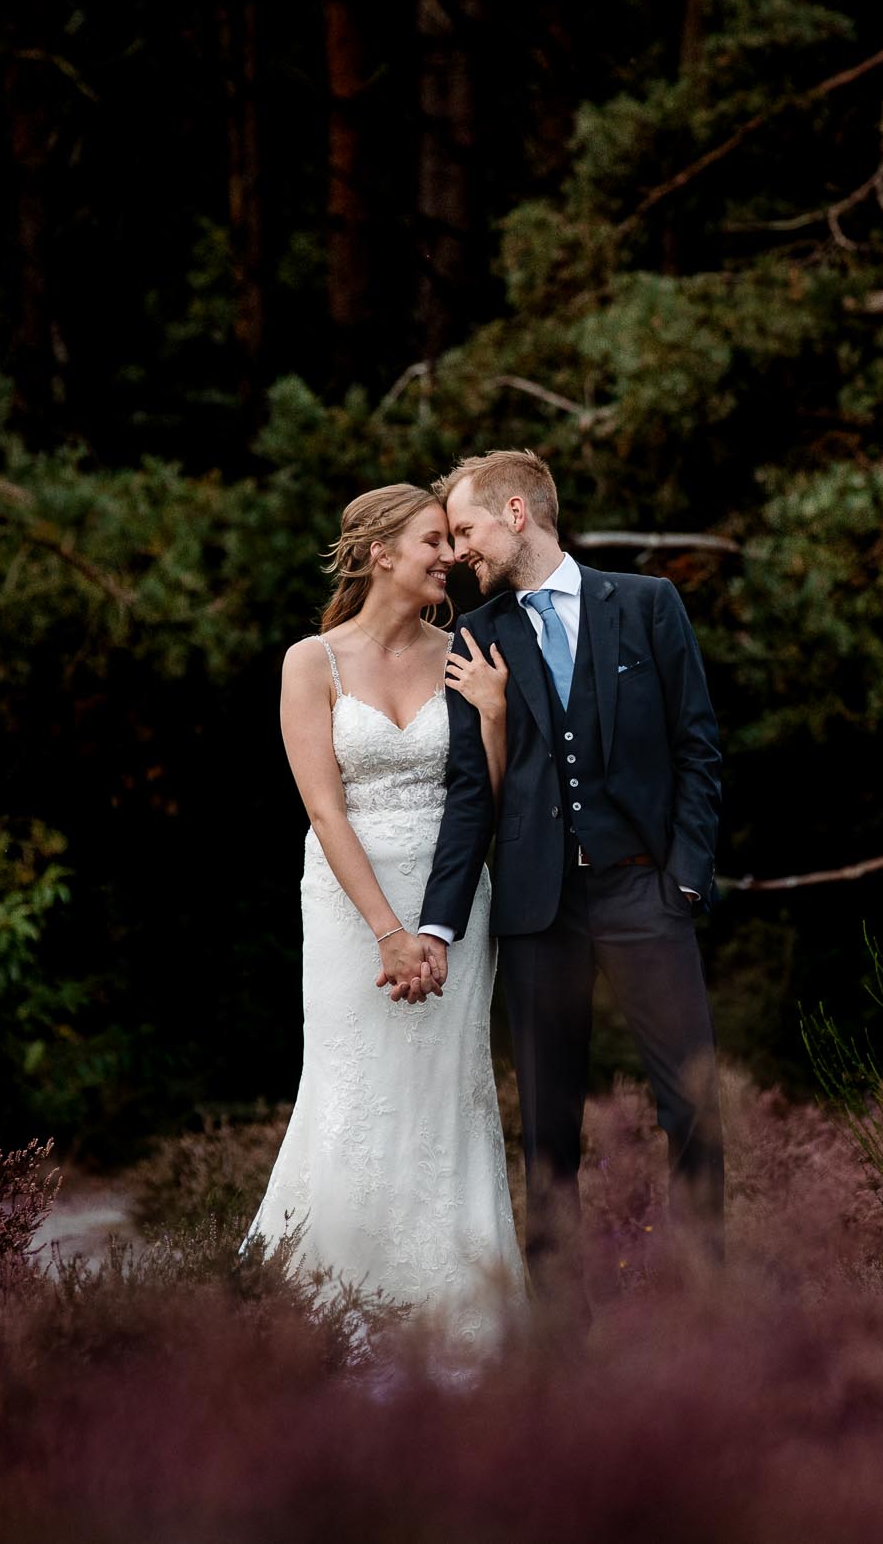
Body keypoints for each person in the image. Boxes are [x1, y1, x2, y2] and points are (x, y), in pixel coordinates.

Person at [419, 449, 726, 1316]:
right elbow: (470, 793)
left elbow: (698, 747)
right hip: (537, 912)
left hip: (644, 894)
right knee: (549, 1131)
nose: (460, 548)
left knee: (693, 1109)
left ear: (518, 512)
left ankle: (705, 1311)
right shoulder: (475, 637)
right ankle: (563, 1335)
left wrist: (687, 883)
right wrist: (438, 923)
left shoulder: (649, 603)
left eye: (469, 527)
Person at [243, 483, 526, 1351]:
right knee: (351, 1089)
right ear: (379, 553)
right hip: (348, 905)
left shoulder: (466, 651)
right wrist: (387, 933)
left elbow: (484, 796)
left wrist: (496, 712)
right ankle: (330, 1314)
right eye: (434, 540)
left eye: (452, 539)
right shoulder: (311, 661)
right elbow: (325, 810)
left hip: (451, 907)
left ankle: (462, 1321)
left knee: (450, 1094)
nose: (452, 555)